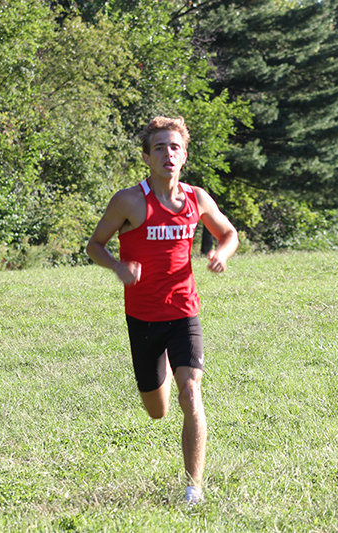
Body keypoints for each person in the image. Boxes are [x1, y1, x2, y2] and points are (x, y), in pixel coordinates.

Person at [86, 116, 239, 505]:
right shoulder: (129, 201)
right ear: (146, 156)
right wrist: (117, 266)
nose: (168, 154)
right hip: (143, 317)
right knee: (157, 410)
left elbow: (229, 233)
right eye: (159, 147)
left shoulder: (196, 198)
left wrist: (221, 253)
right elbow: (95, 245)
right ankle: (164, 373)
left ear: (184, 155)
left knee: (192, 393)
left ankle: (194, 488)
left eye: (174, 147)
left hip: (185, 311)